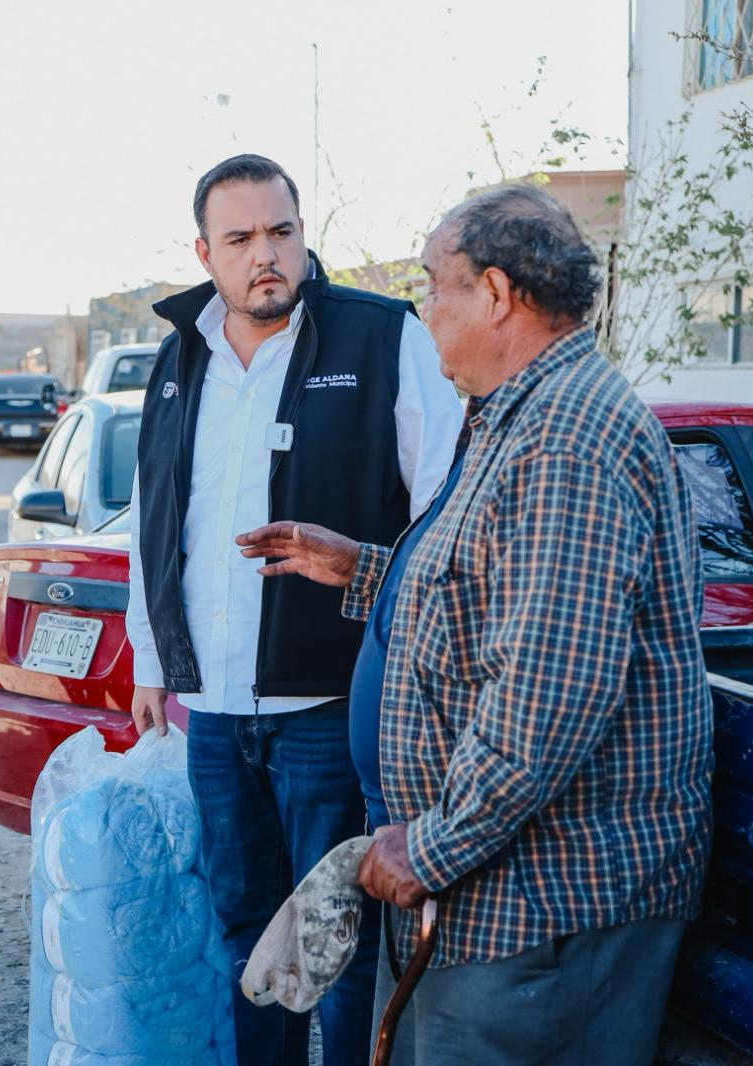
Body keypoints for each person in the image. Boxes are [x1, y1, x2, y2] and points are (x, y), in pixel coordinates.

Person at [237, 185, 714, 1065]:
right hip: (494, 899)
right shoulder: (516, 415)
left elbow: (552, 686)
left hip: (543, 906)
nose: (423, 310)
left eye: (432, 286)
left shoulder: (568, 437)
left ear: (494, 295)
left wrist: (431, 845)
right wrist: (365, 568)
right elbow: (495, 599)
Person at [125, 153, 462, 1066]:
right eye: (240, 239)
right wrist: (153, 664)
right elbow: (159, 519)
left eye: (281, 231)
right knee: (246, 931)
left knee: (339, 942)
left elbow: (443, 511)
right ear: (205, 252)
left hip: (331, 702)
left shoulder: (380, 337)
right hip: (215, 710)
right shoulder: (175, 356)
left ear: (303, 233)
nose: (265, 255)